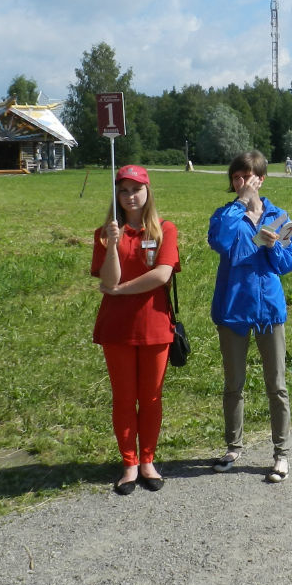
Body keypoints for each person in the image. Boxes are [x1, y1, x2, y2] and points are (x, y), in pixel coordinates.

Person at [209, 151, 292, 483]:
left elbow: (288, 264)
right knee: (234, 385)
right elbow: (220, 241)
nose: (241, 183)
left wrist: (275, 247)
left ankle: (281, 453)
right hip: (233, 310)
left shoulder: (278, 216)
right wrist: (241, 207)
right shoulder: (224, 215)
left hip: (269, 312)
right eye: (236, 178)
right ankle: (233, 447)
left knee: (277, 385)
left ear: (261, 178)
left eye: (248, 177)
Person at [91, 165, 179, 494]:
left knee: (151, 398)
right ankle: (129, 464)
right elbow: (108, 279)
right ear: (117, 194)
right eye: (124, 190)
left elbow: (162, 275)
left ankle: (148, 460)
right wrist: (112, 245)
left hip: (155, 325)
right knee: (124, 399)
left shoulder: (164, 230)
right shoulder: (105, 232)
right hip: (117, 329)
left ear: (148, 191)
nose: (130, 196)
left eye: (136, 189)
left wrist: (118, 290)